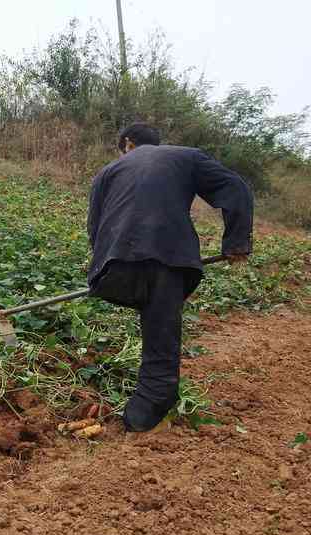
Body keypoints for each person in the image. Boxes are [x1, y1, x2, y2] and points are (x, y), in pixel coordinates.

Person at [87, 122, 254, 432]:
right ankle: (144, 418)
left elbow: (94, 226)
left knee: (147, 297)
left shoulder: (107, 171)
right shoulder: (186, 157)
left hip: (113, 268)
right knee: (159, 331)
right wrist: (236, 243)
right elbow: (235, 188)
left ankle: (143, 413)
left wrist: (105, 263)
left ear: (128, 144)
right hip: (168, 258)